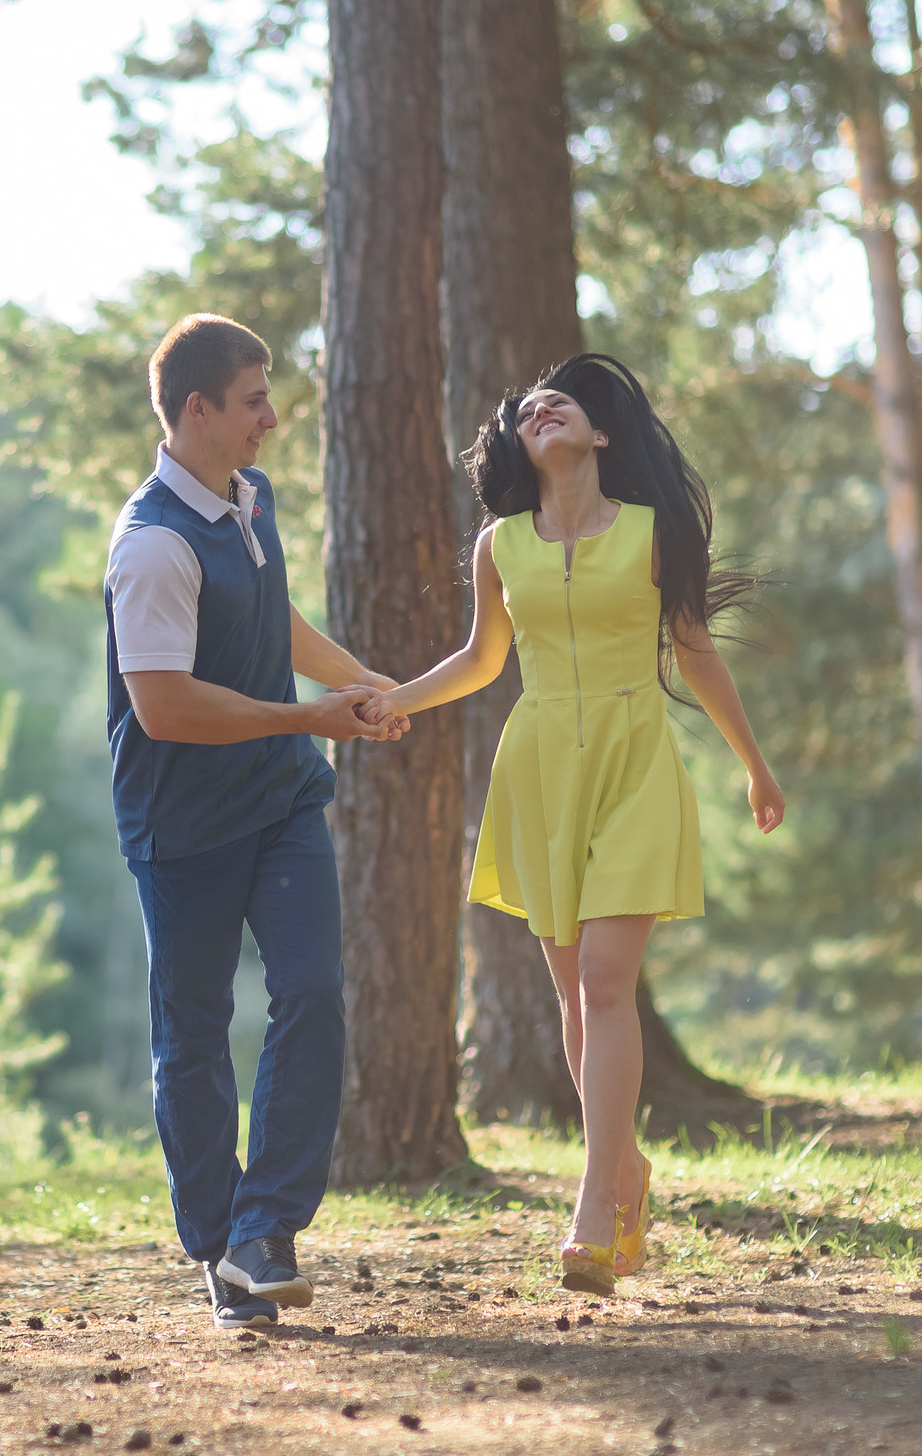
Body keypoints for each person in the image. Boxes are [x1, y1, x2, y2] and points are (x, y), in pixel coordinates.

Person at [358, 353, 784, 1297]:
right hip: (541, 767)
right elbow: (478, 659)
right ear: (521, 444)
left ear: (599, 435)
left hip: (635, 760)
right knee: (574, 996)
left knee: (604, 978)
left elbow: (697, 652)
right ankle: (626, 1168)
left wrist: (754, 764)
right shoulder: (499, 546)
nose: (543, 405)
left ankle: (595, 1193)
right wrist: (395, 699)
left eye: (567, 400)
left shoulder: (650, 535)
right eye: (527, 406)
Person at [106, 313, 406, 1332]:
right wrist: (304, 714)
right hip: (182, 826)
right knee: (190, 1037)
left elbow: (269, 616)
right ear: (196, 409)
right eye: (252, 401)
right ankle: (217, 1244)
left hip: (279, 801)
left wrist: (356, 680)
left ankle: (265, 1229)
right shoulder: (149, 545)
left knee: (312, 989)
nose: (270, 419)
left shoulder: (249, 496)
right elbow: (165, 705)